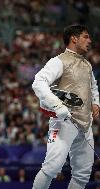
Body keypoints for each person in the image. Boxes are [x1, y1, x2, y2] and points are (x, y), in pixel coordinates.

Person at [32, 24, 100, 189]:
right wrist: (57, 106)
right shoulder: (59, 61)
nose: (90, 40)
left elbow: (93, 87)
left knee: (83, 173)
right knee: (52, 167)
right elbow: (38, 83)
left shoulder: (87, 64)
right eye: (86, 36)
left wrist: (95, 102)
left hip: (85, 124)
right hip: (64, 121)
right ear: (74, 38)